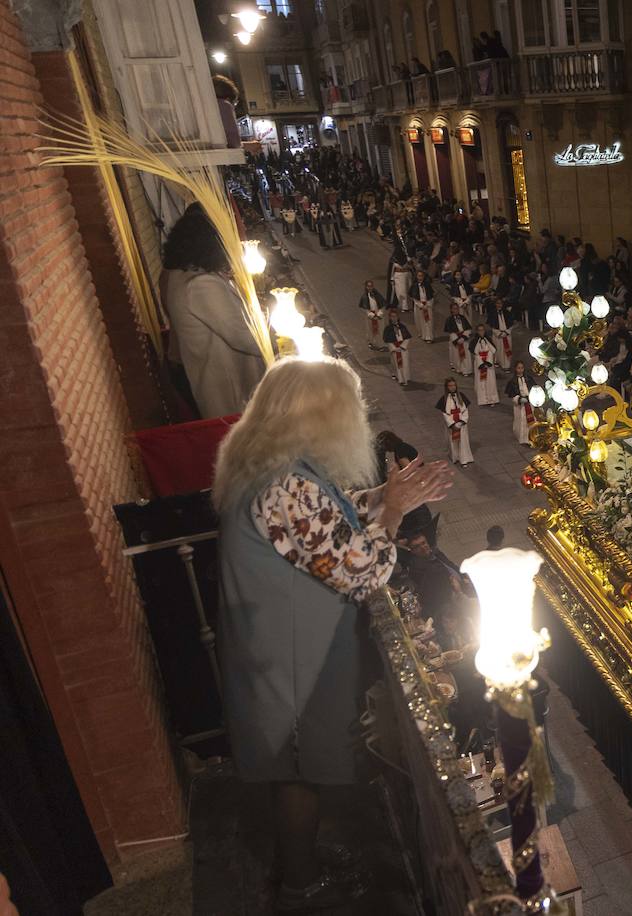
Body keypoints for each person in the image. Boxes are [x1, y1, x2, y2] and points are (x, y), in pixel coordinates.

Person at [213, 357, 452, 909]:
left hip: (275, 647)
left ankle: (304, 860)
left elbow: (324, 521)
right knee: (299, 770)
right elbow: (362, 568)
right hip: (292, 658)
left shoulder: (269, 464)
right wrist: (392, 512)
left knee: (297, 768)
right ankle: (302, 883)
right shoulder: (286, 487)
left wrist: (386, 499)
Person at [160, 205, 267, 418]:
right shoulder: (202, 284)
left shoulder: (174, 273)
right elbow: (246, 338)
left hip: (200, 372)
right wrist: (269, 323)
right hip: (227, 383)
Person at [436, 378, 474, 466]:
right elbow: (445, 414)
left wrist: (461, 422)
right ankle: (455, 457)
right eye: (450, 386)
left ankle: (464, 459)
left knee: (462, 441)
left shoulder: (461, 396)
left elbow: (465, 411)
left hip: (461, 424)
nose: (452, 387)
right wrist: (453, 424)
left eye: (454, 385)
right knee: (453, 441)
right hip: (452, 424)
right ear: (446, 387)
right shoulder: (444, 399)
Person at [506, 360, 536, 446]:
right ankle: (522, 438)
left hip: (529, 403)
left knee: (531, 420)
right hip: (520, 406)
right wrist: (519, 399)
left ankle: (531, 436)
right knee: (521, 420)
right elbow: (512, 395)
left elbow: (533, 388)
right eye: (518, 368)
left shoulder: (529, 379)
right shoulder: (513, 382)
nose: (520, 370)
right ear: (515, 369)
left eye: (522, 368)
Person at [382, 307, 413, 386]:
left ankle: (405, 378)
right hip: (395, 349)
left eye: (395, 316)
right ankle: (400, 379)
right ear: (389, 317)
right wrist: (394, 348)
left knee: (405, 364)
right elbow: (387, 340)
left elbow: (407, 337)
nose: (394, 318)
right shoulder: (388, 329)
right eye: (392, 316)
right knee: (396, 364)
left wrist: (402, 346)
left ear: (398, 317)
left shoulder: (402, 327)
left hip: (403, 348)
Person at [472, 324, 499, 405]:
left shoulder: (488, 340)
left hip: (489, 364)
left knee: (490, 382)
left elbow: (492, 351)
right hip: (479, 364)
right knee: (481, 382)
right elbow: (475, 353)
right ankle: (483, 400)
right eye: (479, 330)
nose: (481, 332)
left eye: (483, 330)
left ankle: (492, 399)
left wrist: (488, 362)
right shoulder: (474, 341)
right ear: (477, 331)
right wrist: (481, 363)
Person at [444, 301, 473, 375]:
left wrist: (463, 337)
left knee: (466, 355)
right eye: (454, 308)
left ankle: (466, 369)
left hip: (464, 339)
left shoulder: (463, 317)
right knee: (456, 355)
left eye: (457, 308)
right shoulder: (449, 320)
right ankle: (459, 368)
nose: (456, 310)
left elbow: (468, 328)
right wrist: (457, 340)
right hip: (455, 339)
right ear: (451, 310)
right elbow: (451, 332)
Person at [358, 280, 385, 351]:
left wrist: (379, 313)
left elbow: (382, 305)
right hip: (370, 316)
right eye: (368, 286)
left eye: (371, 286)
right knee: (371, 330)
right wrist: (371, 315)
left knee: (380, 330)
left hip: (378, 314)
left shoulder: (377, 294)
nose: (370, 288)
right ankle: (372, 343)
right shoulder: (364, 297)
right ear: (366, 287)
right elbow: (365, 308)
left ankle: (380, 344)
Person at [415, 270, 435, 343]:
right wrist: (420, 305)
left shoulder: (427, 285)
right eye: (419, 276)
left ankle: (429, 336)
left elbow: (431, 296)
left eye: (421, 276)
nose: (420, 277)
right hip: (419, 306)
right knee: (422, 321)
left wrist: (428, 304)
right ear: (416, 277)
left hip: (427, 305)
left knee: (429, 321)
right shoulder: (415, 286)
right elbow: (414, 298)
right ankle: (424, 335)